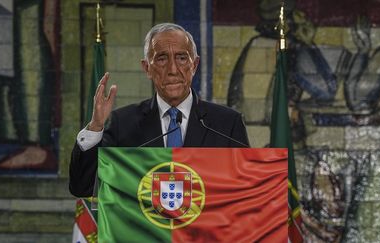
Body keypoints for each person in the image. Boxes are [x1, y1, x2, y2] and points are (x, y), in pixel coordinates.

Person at [69, 23, 250, 197]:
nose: (172, 70)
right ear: (147, 68)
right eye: (162, 59)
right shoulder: (123, 123)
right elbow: (83, 187)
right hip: (145, 228)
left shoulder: (227, 124)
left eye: (181, 58)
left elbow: (247, 189)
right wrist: (95, 126)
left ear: (194, 65)